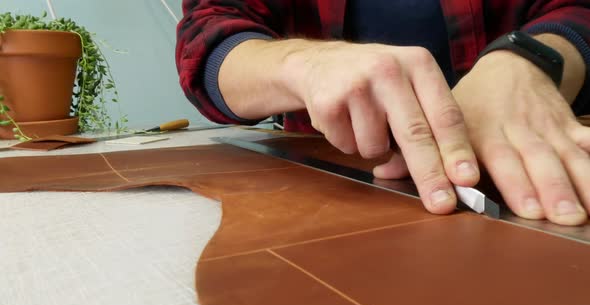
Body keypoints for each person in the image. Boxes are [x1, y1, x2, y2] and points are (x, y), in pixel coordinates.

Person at [175, 0, 590, 226]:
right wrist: (303, 63)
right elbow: (208, 35)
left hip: (534, 156)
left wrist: (527, 60)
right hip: (327, 199)